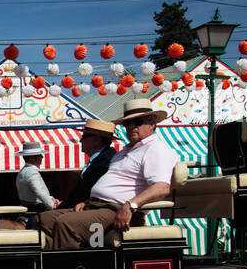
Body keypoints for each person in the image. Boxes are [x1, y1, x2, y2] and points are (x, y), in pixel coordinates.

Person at [39, 99, 178, 249]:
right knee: (42, 220)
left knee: (65, 224)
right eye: (127, 123)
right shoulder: (126, 150)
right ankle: (51, 265)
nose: (131, 127)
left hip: (118, 210)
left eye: (137, 122)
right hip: (98, 207)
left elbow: (162, 187)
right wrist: (86, 202)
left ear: (152, 124)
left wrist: (129, 206)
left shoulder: (155, 149)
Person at [59, 119, 118, 211]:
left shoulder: (105, 162)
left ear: (96, 140)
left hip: (87, 210)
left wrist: (59, 208)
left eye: (85, 136)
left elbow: (85, 194)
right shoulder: (101, 159)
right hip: (81, 208)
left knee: (40, 220)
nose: (80, 140)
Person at [15, 141, 57, 227]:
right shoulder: (31, 172)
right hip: (36, 210)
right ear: (32, 158)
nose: (42, 157)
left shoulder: (22, 171)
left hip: (28, 208)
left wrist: (51, 198)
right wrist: (53, 206)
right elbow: (39, 192)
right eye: (39, 155)